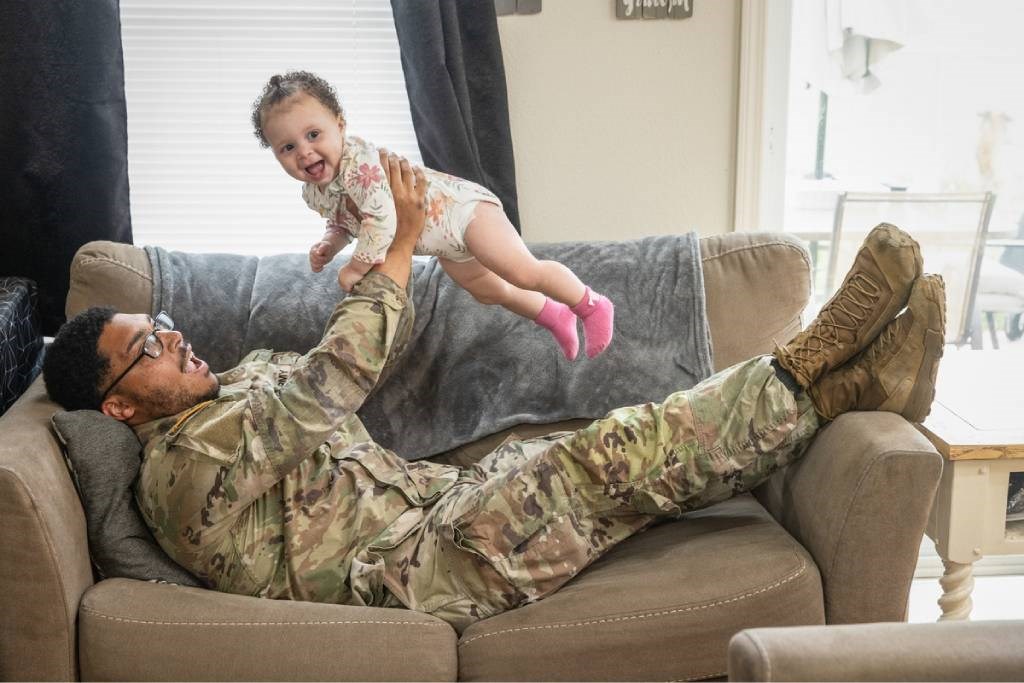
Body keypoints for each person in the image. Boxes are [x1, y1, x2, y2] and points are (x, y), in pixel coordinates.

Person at [42, 151, 946, 634]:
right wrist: (395, 253)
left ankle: (851, 382)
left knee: (635, 452)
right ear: (119, 405)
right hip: (414, 571)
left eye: (162, 326)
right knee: (610, 457)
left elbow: (317, 374)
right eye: (148, 348)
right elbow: (329, 382)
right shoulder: (180, 471)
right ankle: (816, 356)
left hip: (445, 506)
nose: (174, 338)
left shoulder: (226, 387)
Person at [250, 70, 613, 361]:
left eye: (314, 134)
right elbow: (345, 220)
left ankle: (591, 305)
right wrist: (330, 243)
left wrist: (357, 266)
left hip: (463, 213)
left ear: (340, 126)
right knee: (489, 291)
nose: (305, 152)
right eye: (288, 147)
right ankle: (554, 315)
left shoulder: (359, 164)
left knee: (522, 271)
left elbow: (380, 220)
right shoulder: (314, 191)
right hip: (443, 242)